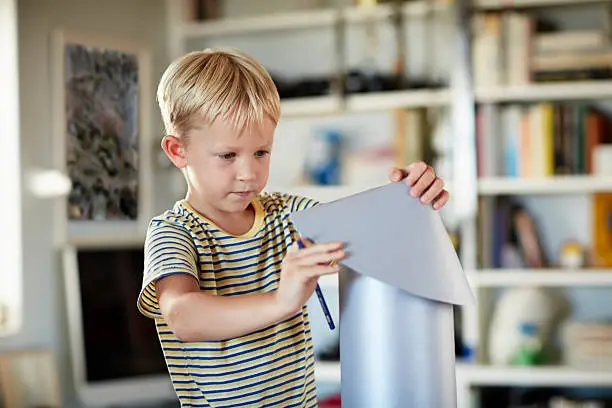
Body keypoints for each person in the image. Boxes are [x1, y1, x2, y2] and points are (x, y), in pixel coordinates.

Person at [137, 47, 450, 407]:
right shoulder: (173, 233)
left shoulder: (287, 214)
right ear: (178, 151)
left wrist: (409, 197)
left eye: (261, 153)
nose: (249, 173)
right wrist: (281, 301)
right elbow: (183, 316)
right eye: (228, 155)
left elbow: (373, 229)